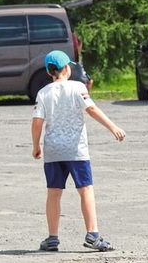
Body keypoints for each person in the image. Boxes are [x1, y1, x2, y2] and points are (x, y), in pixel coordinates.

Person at [31, 50, 126, 252]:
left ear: (49, 72)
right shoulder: (78, 87)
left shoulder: (43, 92)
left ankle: (52, 238)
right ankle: (92, 235)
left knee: (54, 193)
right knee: (85, 190)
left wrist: (36, 145)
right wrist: (113, 127)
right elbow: (91, 109)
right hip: (76, 150)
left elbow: (37, 122)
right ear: (67, 68)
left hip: (53, 151)